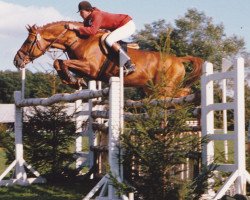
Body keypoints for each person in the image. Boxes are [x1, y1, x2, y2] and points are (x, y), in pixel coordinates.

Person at [66, 1, 136, 76]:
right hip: (119, 27)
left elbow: (92, 31)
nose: (80, 15)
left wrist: (75, 27)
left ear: (88, 11)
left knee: (109, 40)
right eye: (80, 12)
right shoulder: (89, 18)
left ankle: (129, 63)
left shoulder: (96, 15)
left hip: (127, 25)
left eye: (82, 12)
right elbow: (84, 29)